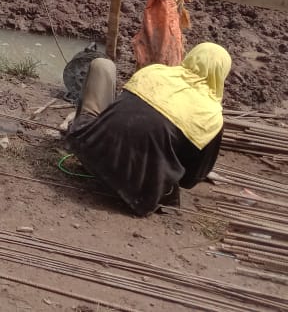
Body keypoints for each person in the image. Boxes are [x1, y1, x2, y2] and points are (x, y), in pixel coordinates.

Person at [65, 43, 231, 216]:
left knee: (102, 65)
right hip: (138, 193)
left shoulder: (153, 72)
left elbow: (123, 110)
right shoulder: (211, 116)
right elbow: (190, 180)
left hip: (90, 151)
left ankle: (92, 143)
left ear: (191, 57)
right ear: (221, 74)